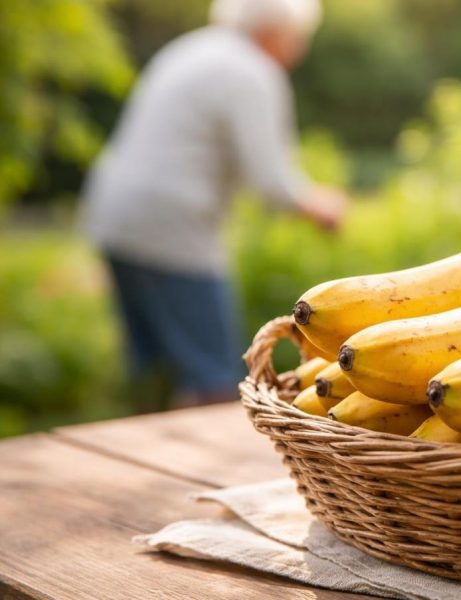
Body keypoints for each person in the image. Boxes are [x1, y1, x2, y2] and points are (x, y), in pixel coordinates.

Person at [81, 0, 345, 409]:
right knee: (214, 378)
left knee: (153, 367)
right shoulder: (252, 72)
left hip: (117, 216)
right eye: (298, 37)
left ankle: (145, 454)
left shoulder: (193, 49)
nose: (300, 48)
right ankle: (200, 466)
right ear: (274, 31)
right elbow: (271, 180)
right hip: (172, 229)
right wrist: (320, 205)